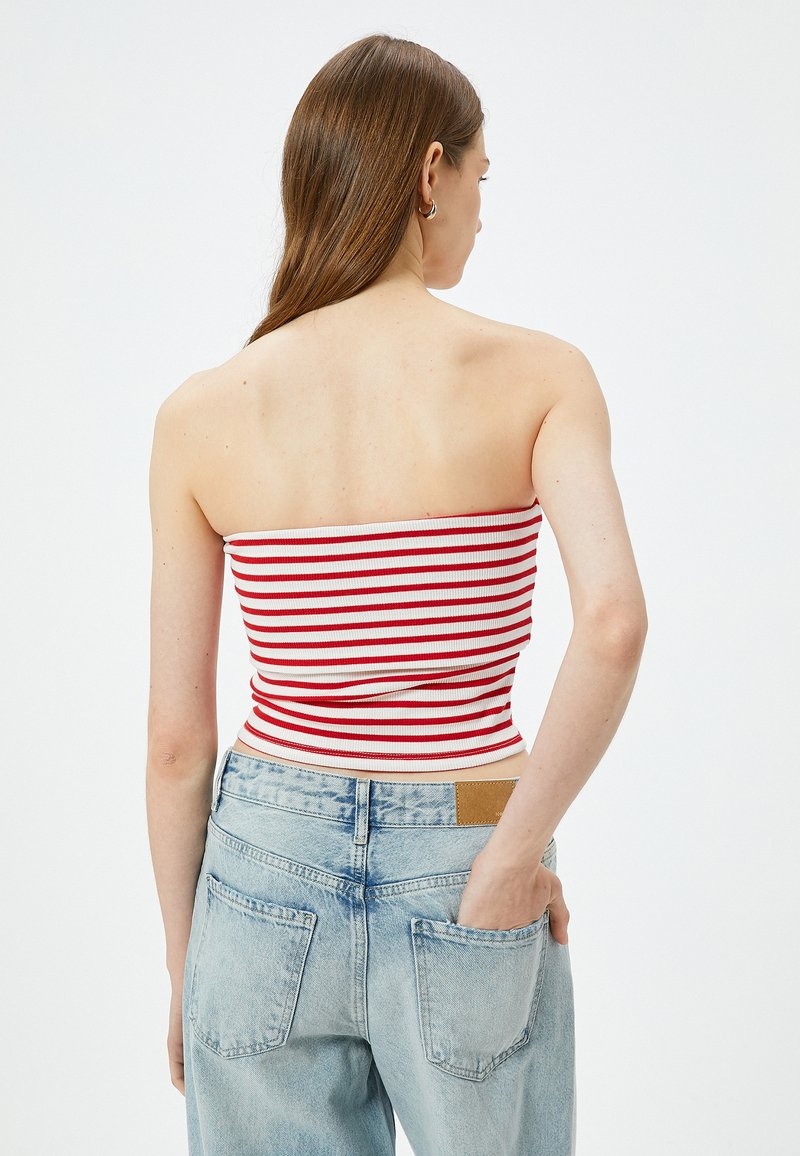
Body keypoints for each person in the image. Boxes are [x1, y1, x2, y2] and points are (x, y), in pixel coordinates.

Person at [146, 32, 647, 1156]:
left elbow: (179, 743)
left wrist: (189, 965)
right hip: (465, 832)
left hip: (260, 861)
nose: (480, 208)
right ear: (430, 172)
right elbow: (613, 623)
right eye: (480, 177)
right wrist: (513, 850)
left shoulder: (201, 413)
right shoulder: (538, 377)